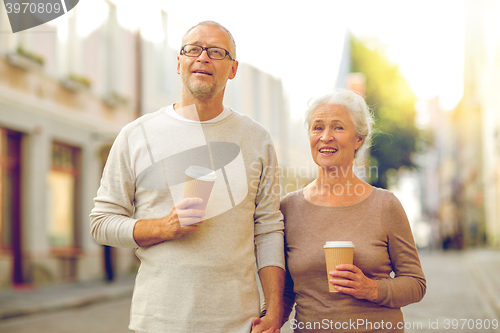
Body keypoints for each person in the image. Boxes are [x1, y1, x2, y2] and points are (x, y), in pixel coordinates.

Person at [90, 21, 284, 333]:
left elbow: (269, 229)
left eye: (216, 52)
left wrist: (275, 308)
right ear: (179, 62)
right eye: (193, 49)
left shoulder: (257, 139)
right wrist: (162, 227)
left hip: (239, 322)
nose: (203, 57)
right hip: (158, 321)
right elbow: (101, 223)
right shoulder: (136, 135)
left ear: (232, 69)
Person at [279, 89, 426, 332]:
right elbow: (285, 291)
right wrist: (269, 321)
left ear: (358, 139)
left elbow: (416, 284)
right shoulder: (288, 208)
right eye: (317, 128)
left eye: (338, 127)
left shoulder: (385, 205)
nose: (326, 137)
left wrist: (371, 288)